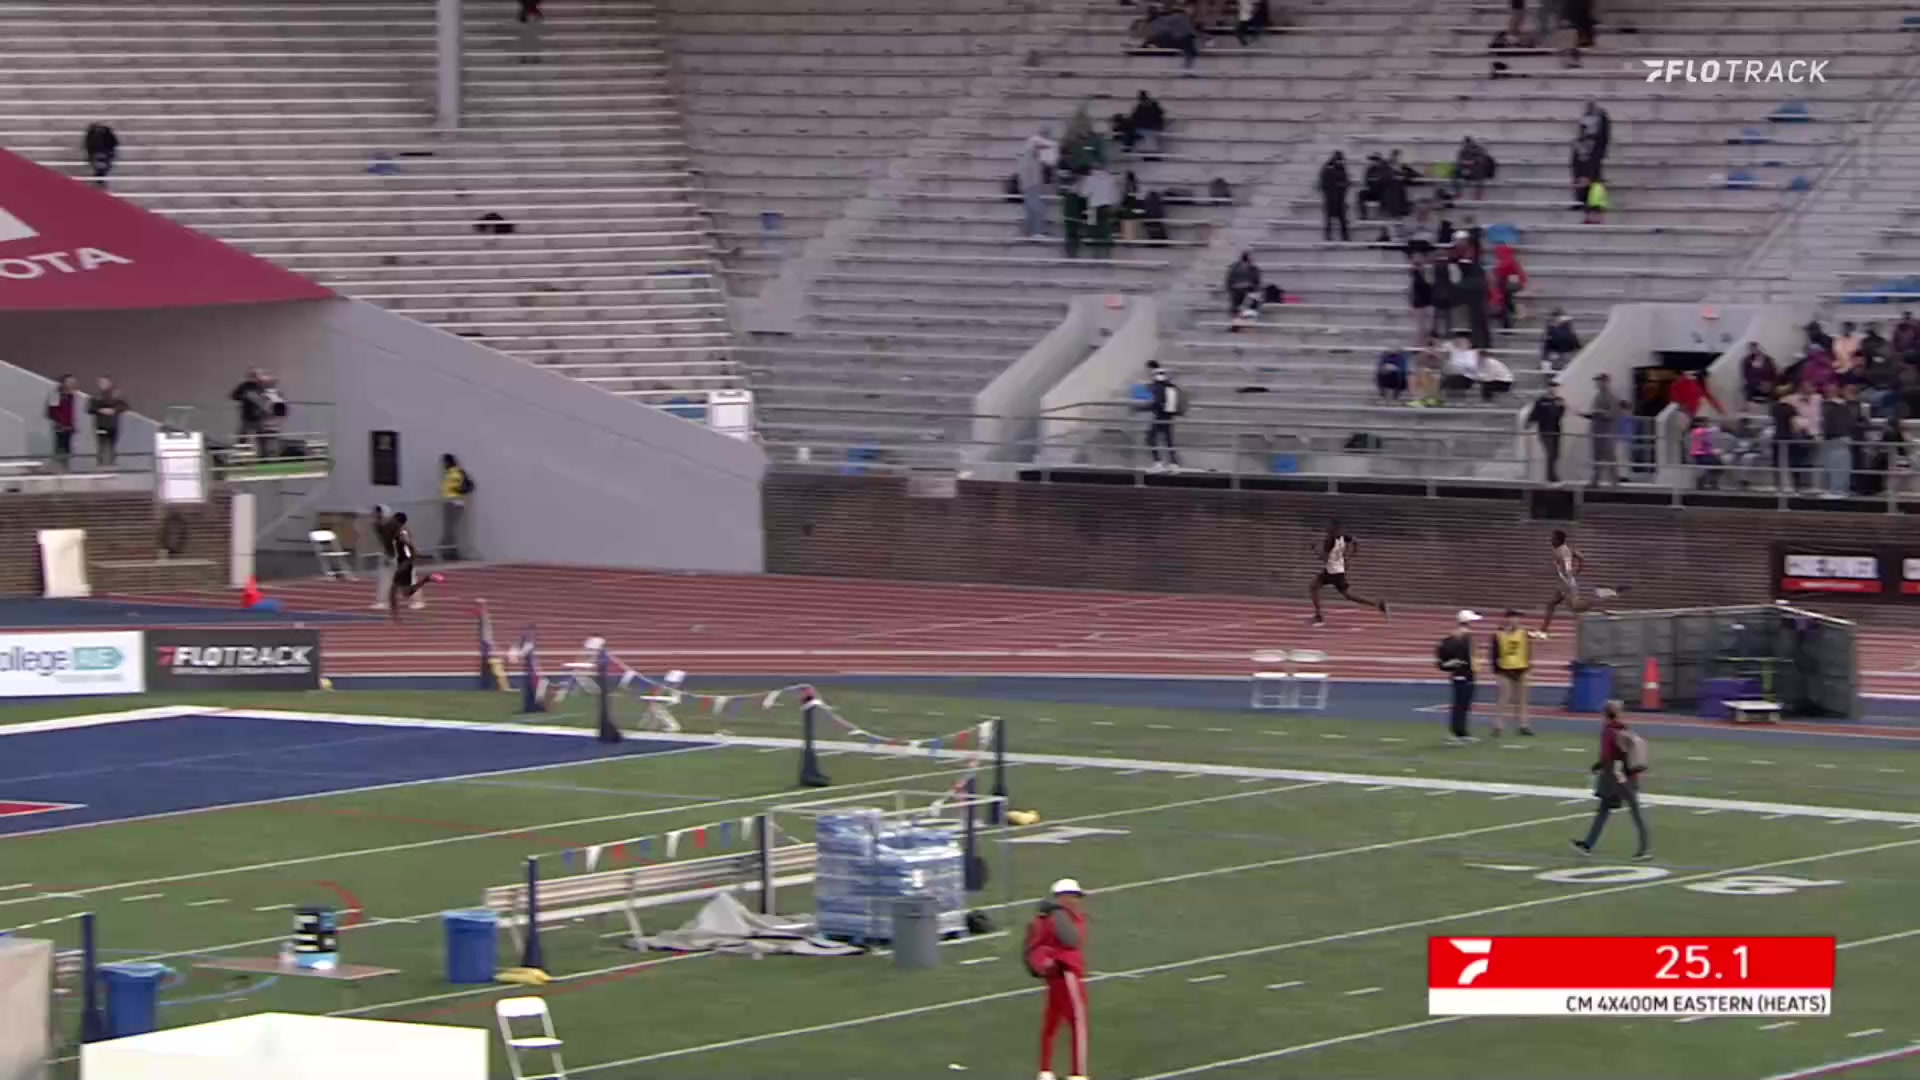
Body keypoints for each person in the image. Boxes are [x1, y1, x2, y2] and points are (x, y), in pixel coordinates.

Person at [1026, 878, 1089, 1080]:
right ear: (1065, 897)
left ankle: (1045, 1070)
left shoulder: (1042, 918)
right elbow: (1073, 941)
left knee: (1051, 1024)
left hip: (1053, 976)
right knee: (1078, 1023)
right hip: (1067, 972)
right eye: (1075, 896)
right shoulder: (1065, 918)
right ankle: (1077, 1074)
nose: (1078, 901)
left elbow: (1033, 945)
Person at [1572, 701, 1651, 860]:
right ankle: (1588, 844)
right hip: (1630, 775)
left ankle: (1644, 849)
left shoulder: (1608, 732)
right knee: (1630, 811)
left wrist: (1598, 767)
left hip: (1615, 777)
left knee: (1607, 811)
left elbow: (1607, 757)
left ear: (1604, 715)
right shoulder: (1625, 728)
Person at [1309, 522, 1389, 628]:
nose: (1327, 530)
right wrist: (1350, 557)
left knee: (1316, 587)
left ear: (1332, 530)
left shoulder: (1329, 541)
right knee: (1318, 587)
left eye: (1328, 529)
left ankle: (1318, 616)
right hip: (1337, 570)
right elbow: (1356, 542)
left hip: (1332, 571)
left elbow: (1324, 558)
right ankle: (1377, 604)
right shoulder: (1344, 537)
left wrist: (1314, 549)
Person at [1542, 529, 1620, 635]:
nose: (1550, 540)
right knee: (1551, 604)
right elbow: (1580, 556)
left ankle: (1595, 603)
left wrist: (1570, 579)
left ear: (1558, 540)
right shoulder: (1565, 549)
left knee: (1575, 607)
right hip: (1562, 584)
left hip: (1567, 584)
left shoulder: (1562, 551)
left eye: (1553, 538)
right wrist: (1579, 568)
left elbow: (1568, 567)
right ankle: (1543, 630)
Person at [386, 512, 445, 620]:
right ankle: (428, 578)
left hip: (405, 564)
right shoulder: (398, 531)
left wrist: (415, 556)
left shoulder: (402, 533)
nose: (391, 521)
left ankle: (395, 618)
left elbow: (409, 545)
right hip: (402, 562)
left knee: (393, 590)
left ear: (398, 521)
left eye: (393, 520)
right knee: (406, 593)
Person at [1489, 609, 1537, 737]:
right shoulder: (1498, 634)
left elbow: (1528, 649)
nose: (1516, 620)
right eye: (1513, 617)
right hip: (1505, 669)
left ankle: (1523, 725)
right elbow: (1494, 654)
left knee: (1522, 699)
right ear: (1507, 619)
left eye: (1518, 618)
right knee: (1504, 698)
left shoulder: (1524, 633)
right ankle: (1498, 726)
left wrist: (1529, 666)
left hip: (1522, 668)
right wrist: (1496, 671)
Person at [1436, 610, 1479, 744]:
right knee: (1460, 705)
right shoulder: (1461, 637)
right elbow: (1444, 654)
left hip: (1465, 673)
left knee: (1463, 705)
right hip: (1462, 674)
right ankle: (1457, 733)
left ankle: (1461, 732)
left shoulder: (1459, 636)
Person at [1139, 367, 1183, 471]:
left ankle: (1157, 463)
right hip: (1169, 416)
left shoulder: (1158, 387)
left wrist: (1141, 408)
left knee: (1150, 438)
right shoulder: (1171, 386)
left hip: (1160, 416)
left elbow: (1156, 403)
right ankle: (1173, 463)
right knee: (1168, 440)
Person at [1584, 373, 1623, 486]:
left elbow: (1614, 413)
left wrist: (1600, 413)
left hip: (1606, 431)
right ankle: (1595, 479)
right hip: (1597, 430)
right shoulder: (1597, 396)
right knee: (1596, 456)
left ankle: (1614, 480)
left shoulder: (1611, 397)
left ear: (1605, 382)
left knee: (1609, 455)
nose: (1597, 384)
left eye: (1599, 381)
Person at [1526, 380, 1567, 483]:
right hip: (1545, 431)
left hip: (1556, 431)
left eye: (1554, 387)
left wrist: (1560, 407)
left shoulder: (1559, 400)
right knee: (1551, 453)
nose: (1552, 389)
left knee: (1556, 454)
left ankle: (1551, 475)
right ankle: (1550, 476)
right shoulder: (1541, 401)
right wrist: (1528, 423)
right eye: (1551, 387)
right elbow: (1534, 414)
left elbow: (1560, 414)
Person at [1820, 386, 1857, 497]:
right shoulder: (1826, 405)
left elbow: (1852, 421)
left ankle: (1839, 490)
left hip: (1842, 439)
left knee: (1840, 465)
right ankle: (1833, 489)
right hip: (1830, 439)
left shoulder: (1845, 406)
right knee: (1830, 465)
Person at [440, 453, 472, 562]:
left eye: (444, 463)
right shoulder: (452, 473)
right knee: (450, 529)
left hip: (453, 503)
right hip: (452, 503)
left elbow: (463, 487)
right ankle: (449, 550)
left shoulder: (455, 473)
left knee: (451, 529)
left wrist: (457, 492)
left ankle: (451, 551)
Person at [88, 377, 127, 468]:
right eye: (100, 382)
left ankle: (111, 463)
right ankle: (101, 463)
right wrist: (101, 410)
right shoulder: (96, 396)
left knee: (112, 445)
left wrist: (114, 410)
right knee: (102, 444)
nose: (102, 384)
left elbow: (124, 406)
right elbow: (90, 409)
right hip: (101, 425)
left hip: (113, 425)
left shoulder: (116, 396)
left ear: (109, 384)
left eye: (104, 382)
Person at [1016, 138, 1049, 238]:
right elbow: (1028, 174)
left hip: (1032, 187)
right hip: (1030, 187)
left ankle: (1028, 231)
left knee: (1031, 211)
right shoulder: (1028, 158)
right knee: (1037, 209)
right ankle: (1035, 231)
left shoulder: (1034, 158)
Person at [45, 374, 79, 471]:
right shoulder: (56, 394)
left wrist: (72, 425)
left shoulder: (71, 396)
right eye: (70, 382)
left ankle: (65, 468)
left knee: (67, 449)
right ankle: (58, 468)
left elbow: (71, 413)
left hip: (69, 427)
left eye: (73, 382)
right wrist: (59, 423)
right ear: (64, 382)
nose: (72, 384)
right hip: (60, 426)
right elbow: (51, 411)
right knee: (60, 448)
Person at [1489, 243, 1527, 330]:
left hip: (1510, 283)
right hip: (1511, 283)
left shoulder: (1506, 261)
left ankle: (1508, 320)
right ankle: (1512, 314)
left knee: (1504, 302)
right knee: (1506, 301)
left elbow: (1498, 272)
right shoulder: (1511, 259)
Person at [370, 503, 400, 611]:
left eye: (378, 514)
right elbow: (384, 542)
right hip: (389, 553)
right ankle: (382, 601)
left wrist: (392, 556)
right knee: (384, 578)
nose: (375, 516)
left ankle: (417, 600)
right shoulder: (378, 526)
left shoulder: (392, 526)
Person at [1318, 151, 1350, 242]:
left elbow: (1346, 181)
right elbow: (1324, 184)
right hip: (1331, 198)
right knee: (1329, 219)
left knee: (1342, 219)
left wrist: (1342, 186)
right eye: (1339, 160)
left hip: (1339, 198)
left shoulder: (1341, 168)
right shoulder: (1327, 169)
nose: (1341, 162)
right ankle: (1328, 237)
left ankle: (1345, 237)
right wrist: (1337, 185)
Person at [1225, 252, 1262, 318]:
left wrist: (1249, 285)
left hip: (1250, 292)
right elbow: (1229, 284)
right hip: (1237, 292)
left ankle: (1247, 313)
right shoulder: (1234, 269)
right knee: (1238, 295)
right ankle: (1237, 313)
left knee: (1254, 296)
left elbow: (1257, 284)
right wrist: (1239, 285)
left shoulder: (1254, 269)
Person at [1129, 91, 1165, 156]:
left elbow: (1134, 117)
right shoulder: (1153, 104)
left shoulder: (1141, 106)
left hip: (1145, 129)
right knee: (1150, 145)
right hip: (1152, 128)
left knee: (1145, 144)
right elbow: (1161, 113)